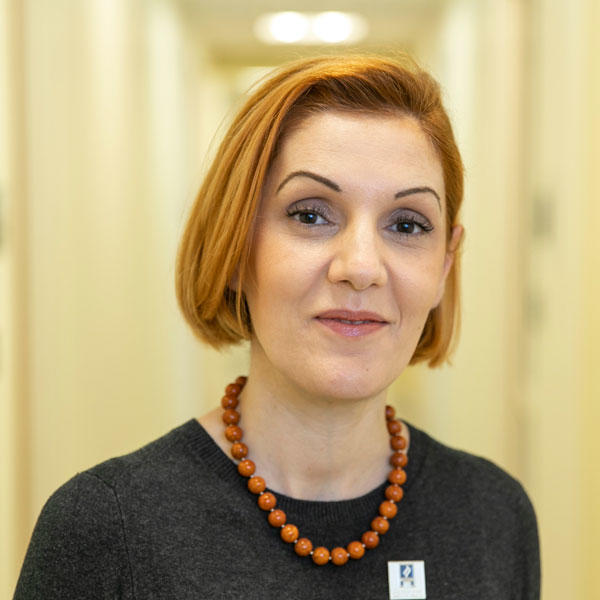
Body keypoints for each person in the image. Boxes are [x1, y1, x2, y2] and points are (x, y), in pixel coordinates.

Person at [14, 55, 540, 599]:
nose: (360, 267)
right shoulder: (109, 527)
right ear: (238, 248)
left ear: (444, 268)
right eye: (311, 214)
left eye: (407, 224)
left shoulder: (495, 515)